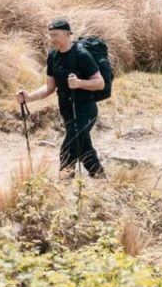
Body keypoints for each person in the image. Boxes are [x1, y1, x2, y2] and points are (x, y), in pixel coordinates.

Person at [17, 18, 105, 178]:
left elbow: (100, 83)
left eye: (56, 35)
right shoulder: (53, 56)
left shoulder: (81, 55)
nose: (53, 39)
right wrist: (29, 97)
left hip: (85, 109)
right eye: (50, 35)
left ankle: (64, 186)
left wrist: (79, 83)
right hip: (67, 110)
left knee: (68, 149)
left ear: (67, 34)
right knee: (84, 148)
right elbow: (49, 87)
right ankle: (101, 180)